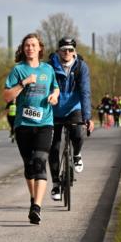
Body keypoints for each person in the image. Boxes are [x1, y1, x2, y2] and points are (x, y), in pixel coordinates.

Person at [3, 33, 59, 225]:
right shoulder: (18, 70)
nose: (30, 48)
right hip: (24, 125)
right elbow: (7, 96)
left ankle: (36, 207)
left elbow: (55, 88)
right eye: (27, 45)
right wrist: (23, 83)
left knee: (39, 162)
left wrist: (55, 96)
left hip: (44, 123)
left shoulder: (48, 69)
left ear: (40, 48)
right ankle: (34, 197)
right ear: (23, 48)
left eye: (33, 45)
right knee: (29, 166)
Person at [48, 37, 93, 201]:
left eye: (70, 50)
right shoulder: (50, 66)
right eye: (64, 50)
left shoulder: (81, 67)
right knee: (54, 146)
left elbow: (85, 92)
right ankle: (55, 184)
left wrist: (87, 117)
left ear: (75, 51)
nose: (67, 52)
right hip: (54, 110)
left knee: (78, 134)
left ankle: (77, 155)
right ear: (58, 51)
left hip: (74, 108)